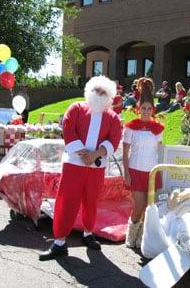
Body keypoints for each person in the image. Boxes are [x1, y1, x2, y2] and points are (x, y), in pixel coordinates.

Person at [39, 76, 122, 261]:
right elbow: (68, 129)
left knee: (91, 201)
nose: (99, 95)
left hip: (96, 168)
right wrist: (85, 153)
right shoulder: (76, 108)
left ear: (109, 96)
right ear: (89, 91)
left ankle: (88, 233)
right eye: (97, 90)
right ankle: (59, 243)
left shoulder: (113, 117)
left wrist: (94, 155)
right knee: (66, 200)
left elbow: (114, 140)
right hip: (73, 165)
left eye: (104, 92)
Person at [123, 77, 164, 248]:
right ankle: (131, 234)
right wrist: (126, 173)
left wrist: (161, 170)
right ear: (138, 109)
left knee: (149, 207)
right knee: (139, 206)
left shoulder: (158, 129)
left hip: (152, 172)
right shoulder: (131, 127)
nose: (146, 111)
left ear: (153, 109)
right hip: (135, 170)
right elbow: (125, 152)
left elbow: (159, 151)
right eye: (143, 108)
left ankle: (142, 238)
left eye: (149, 108)